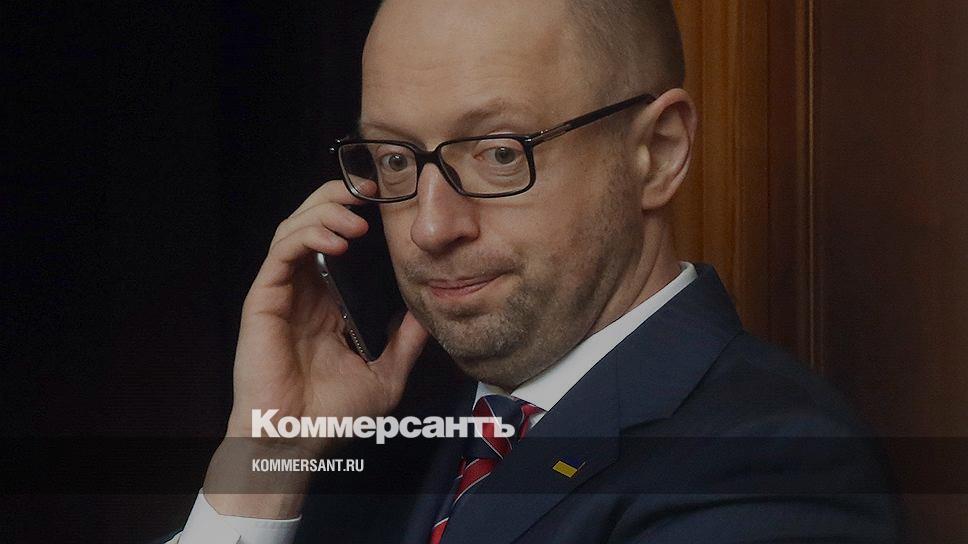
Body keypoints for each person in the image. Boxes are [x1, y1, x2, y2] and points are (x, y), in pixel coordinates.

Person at [165, 0, 901, 542]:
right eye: (394, 159)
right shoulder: (369, 451)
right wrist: (266, 462)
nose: (429, 227)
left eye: (498, 152)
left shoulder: (769, 463)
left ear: (658, 153)